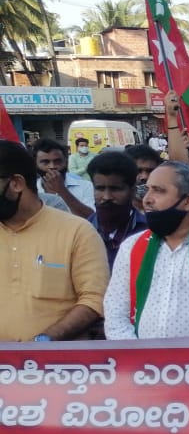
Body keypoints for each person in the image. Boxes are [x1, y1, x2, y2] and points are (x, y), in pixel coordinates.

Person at [103, 162, 189, 339]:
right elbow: (115, 312)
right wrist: (137, 352)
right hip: (139, 355)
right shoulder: (131, 247)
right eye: (147, 190)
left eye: (158, 190)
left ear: (187, 202)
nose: (147, 199)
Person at [0, 140, 108, 342]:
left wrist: (43, 342)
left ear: (16, 184)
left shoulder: (77, 231)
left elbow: (94, 299)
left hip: (57, 360)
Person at [86, 151, 149, 268]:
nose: (106, 197)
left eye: (115, 189)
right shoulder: (82, 231)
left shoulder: (148, 232)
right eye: (100, 188)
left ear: (132, 191)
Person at [33, 138, 95, 218]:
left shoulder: (85, 186)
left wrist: (62, 190)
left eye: (57, 161)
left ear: (66, 162)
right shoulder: (31, 189)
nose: (52, 166)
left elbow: (91, 217)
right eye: (46, 162)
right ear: (35, 164)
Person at [126, 144, 163, 212]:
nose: (144, 177)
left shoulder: (167, 209)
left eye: (150, 171)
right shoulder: (116, 211)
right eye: (138, 171)